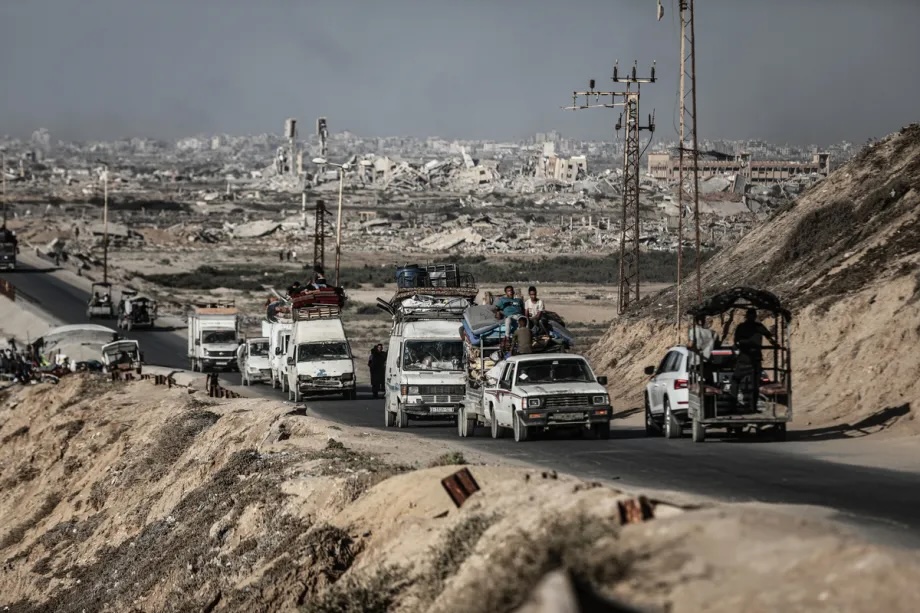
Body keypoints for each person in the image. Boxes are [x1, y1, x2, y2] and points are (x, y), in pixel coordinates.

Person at [729, 308, 777, 413]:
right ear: (755, 316)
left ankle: (733, 405)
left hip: (744, 358)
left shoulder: (741, 327)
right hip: (755, 358)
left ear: (746, 316)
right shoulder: (759, 327)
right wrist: (775, 345)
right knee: (755, 384)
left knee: (735, 380)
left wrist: (740, 346)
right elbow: (769, 337)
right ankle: (753, 407)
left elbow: (736, 342)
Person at [688, 314, 719, 384]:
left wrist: (686, 346)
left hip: (696, 360)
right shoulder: (709, 332)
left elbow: (692, 344)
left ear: (698, 322)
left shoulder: (693, 331)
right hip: (707, 359)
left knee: (694, 382)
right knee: (709, 380)